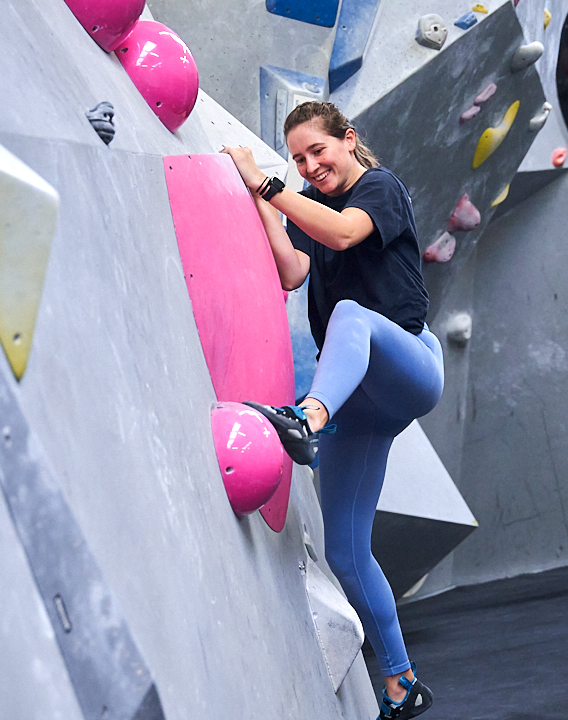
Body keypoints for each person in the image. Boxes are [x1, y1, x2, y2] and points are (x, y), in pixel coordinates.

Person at [222, 101, 443, 720]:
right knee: (345, 549)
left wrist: (269, 183)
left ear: (348, 141)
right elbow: (293, 271)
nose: (309, 165)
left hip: (409, 370)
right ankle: (402, 681)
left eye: (318, 151)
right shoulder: (311, 214)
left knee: (348, 313)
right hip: (363, 401)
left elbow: (344, 234)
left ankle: (309, 418)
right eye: (296, 158)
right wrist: (264, 204)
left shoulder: (379, 189)